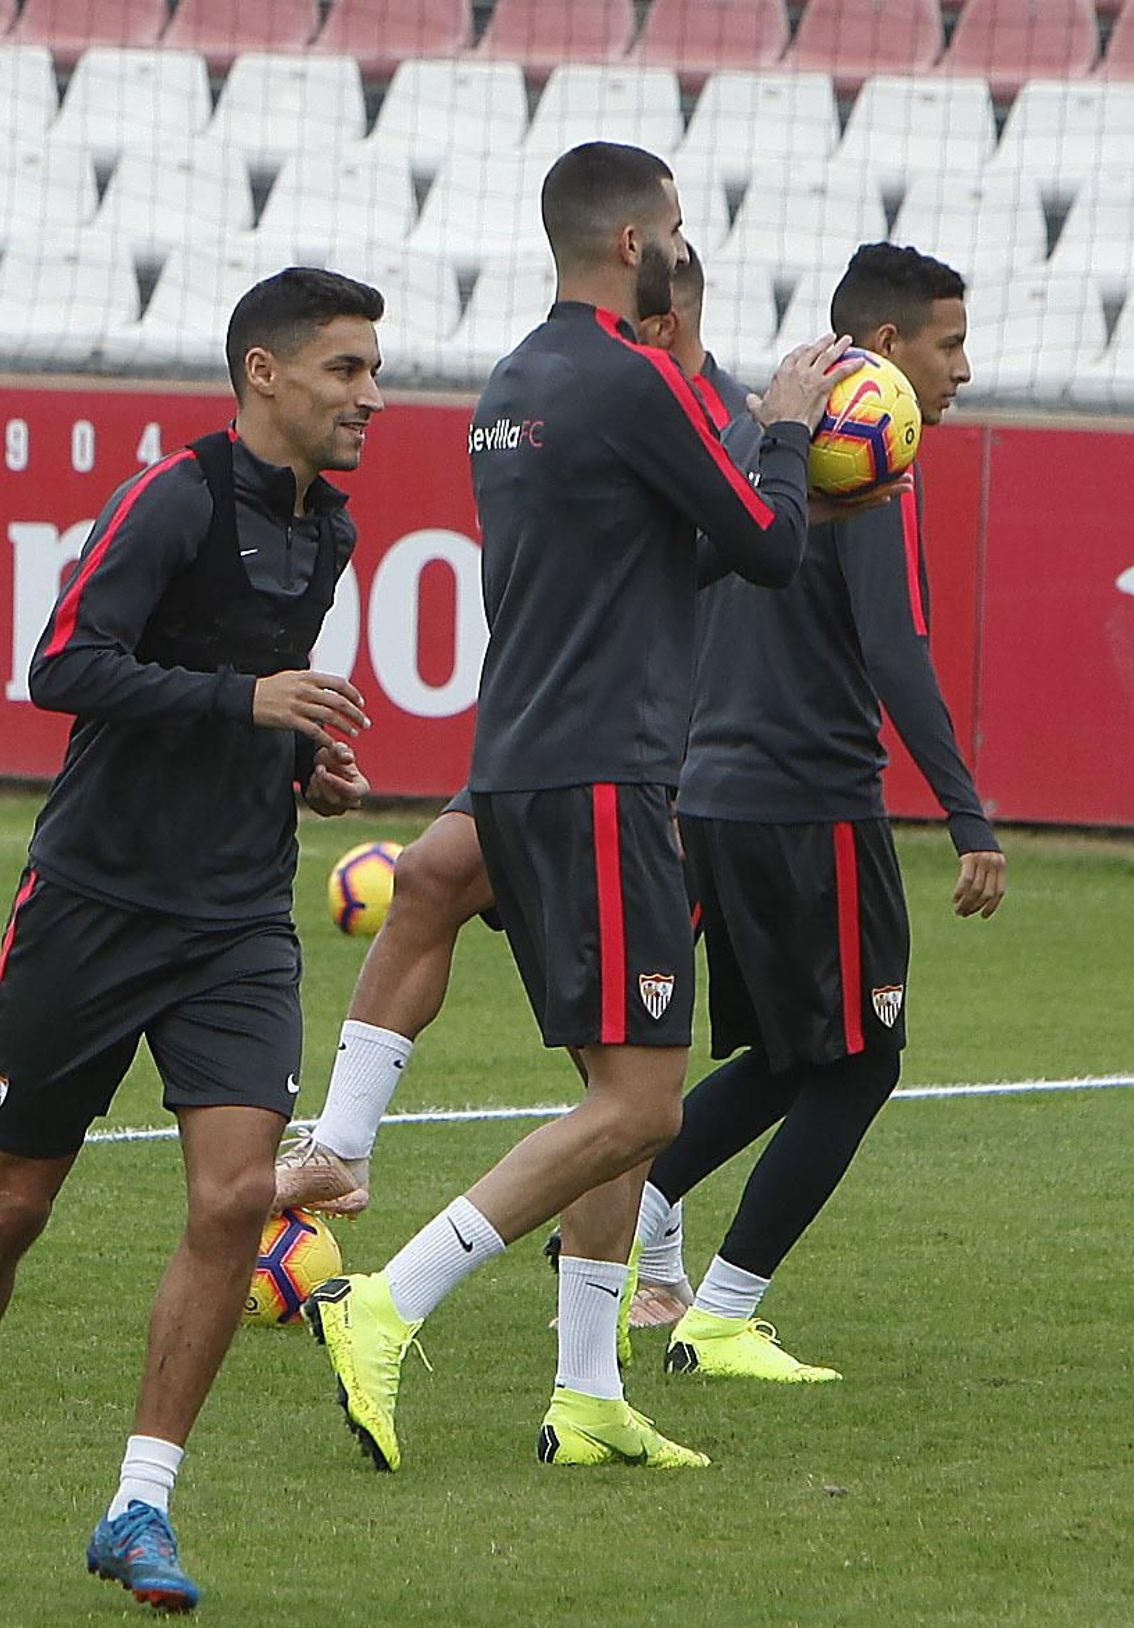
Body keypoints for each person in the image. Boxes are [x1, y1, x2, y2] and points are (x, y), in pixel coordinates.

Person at [305, 143, 866, 1477]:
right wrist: (787, 427)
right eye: (675, 226)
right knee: (641, 1107)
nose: (683, 243)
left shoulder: (518, 382)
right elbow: (769, 546)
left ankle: (587, 1389)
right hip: (608, 774)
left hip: (527, 757)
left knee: (613, 1086)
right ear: (635, 246)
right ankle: (388, 1304)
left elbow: (642, 548)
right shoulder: (633, 382)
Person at [0, 268, 383, 1611]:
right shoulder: (175, 497)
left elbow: (248, 712)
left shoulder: (328, 529)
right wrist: (249, 702)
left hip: (236, 917)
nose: (369, 397)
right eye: (345, 370)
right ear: (264, 374)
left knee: (234, 1200)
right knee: (11, 1210)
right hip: (94, 906)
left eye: (372, 371)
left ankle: (140, 1507)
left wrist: (295, 764)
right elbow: (62, 664)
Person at [273, 247, 742, 1256]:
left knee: (626, 1092)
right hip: (554, 742)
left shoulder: (695, 409)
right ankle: (341, 1147)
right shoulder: (592, 389)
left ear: (672, 319)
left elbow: (750, 544)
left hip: (650, 762)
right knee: (434, 873)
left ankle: (638, 1287)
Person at [641, 241, 1005, 1382]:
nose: (963, 369)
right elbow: (896, 655)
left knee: (788, 1059)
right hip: (811, 805)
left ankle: (630, 1207)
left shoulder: (762, 440)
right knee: (860, 1064)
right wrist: (969, 818)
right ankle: (722, 1313)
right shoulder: (870, 468)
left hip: (715, 799)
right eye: (947, 344)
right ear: (884, 350)